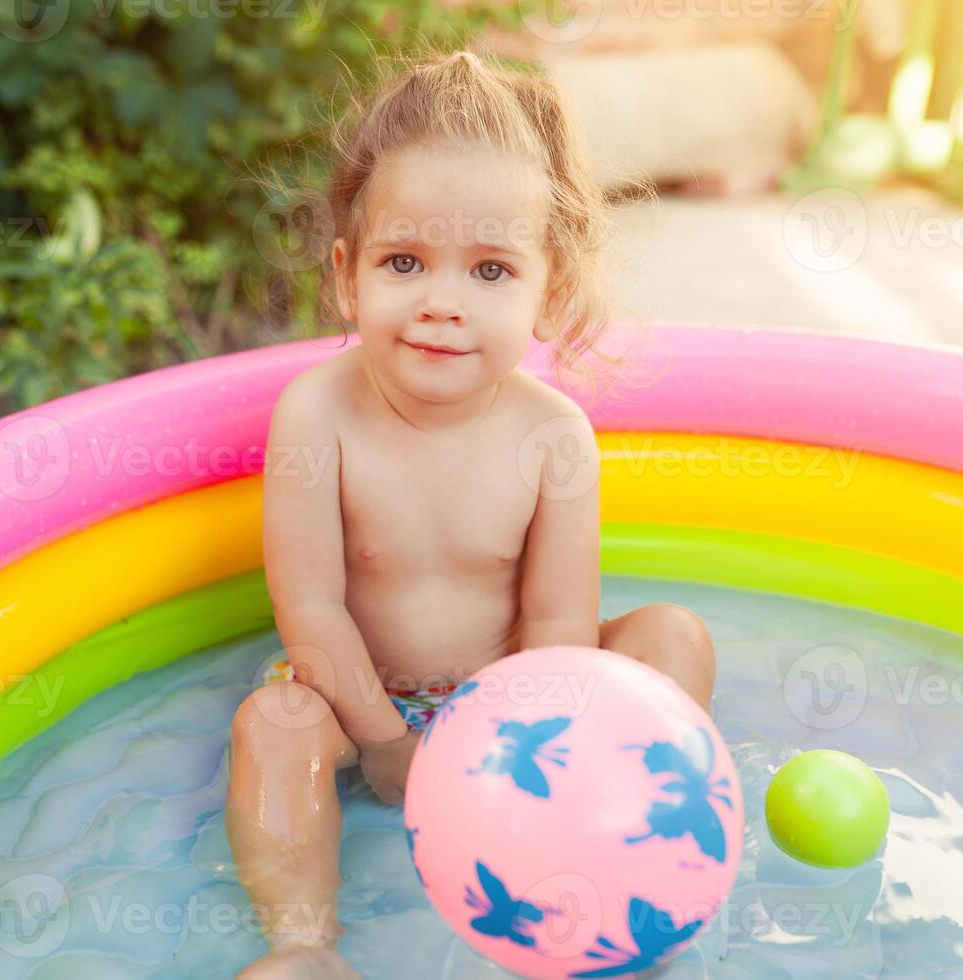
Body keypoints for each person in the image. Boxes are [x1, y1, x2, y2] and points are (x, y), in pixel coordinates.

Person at [225, 48, 715, 980]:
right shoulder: (316, 415)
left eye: (491, 271)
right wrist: (384, 744)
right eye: (405, 261)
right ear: (347, 276)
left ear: (550, 290)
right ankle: (304, 946)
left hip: (509, 701)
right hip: (354, 696)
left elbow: (560, 625)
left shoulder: (554, 436)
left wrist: (518, 756)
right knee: (272, 726)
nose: (442, 304)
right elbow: (313, 607)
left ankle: (622, 864)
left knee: (671, 639)